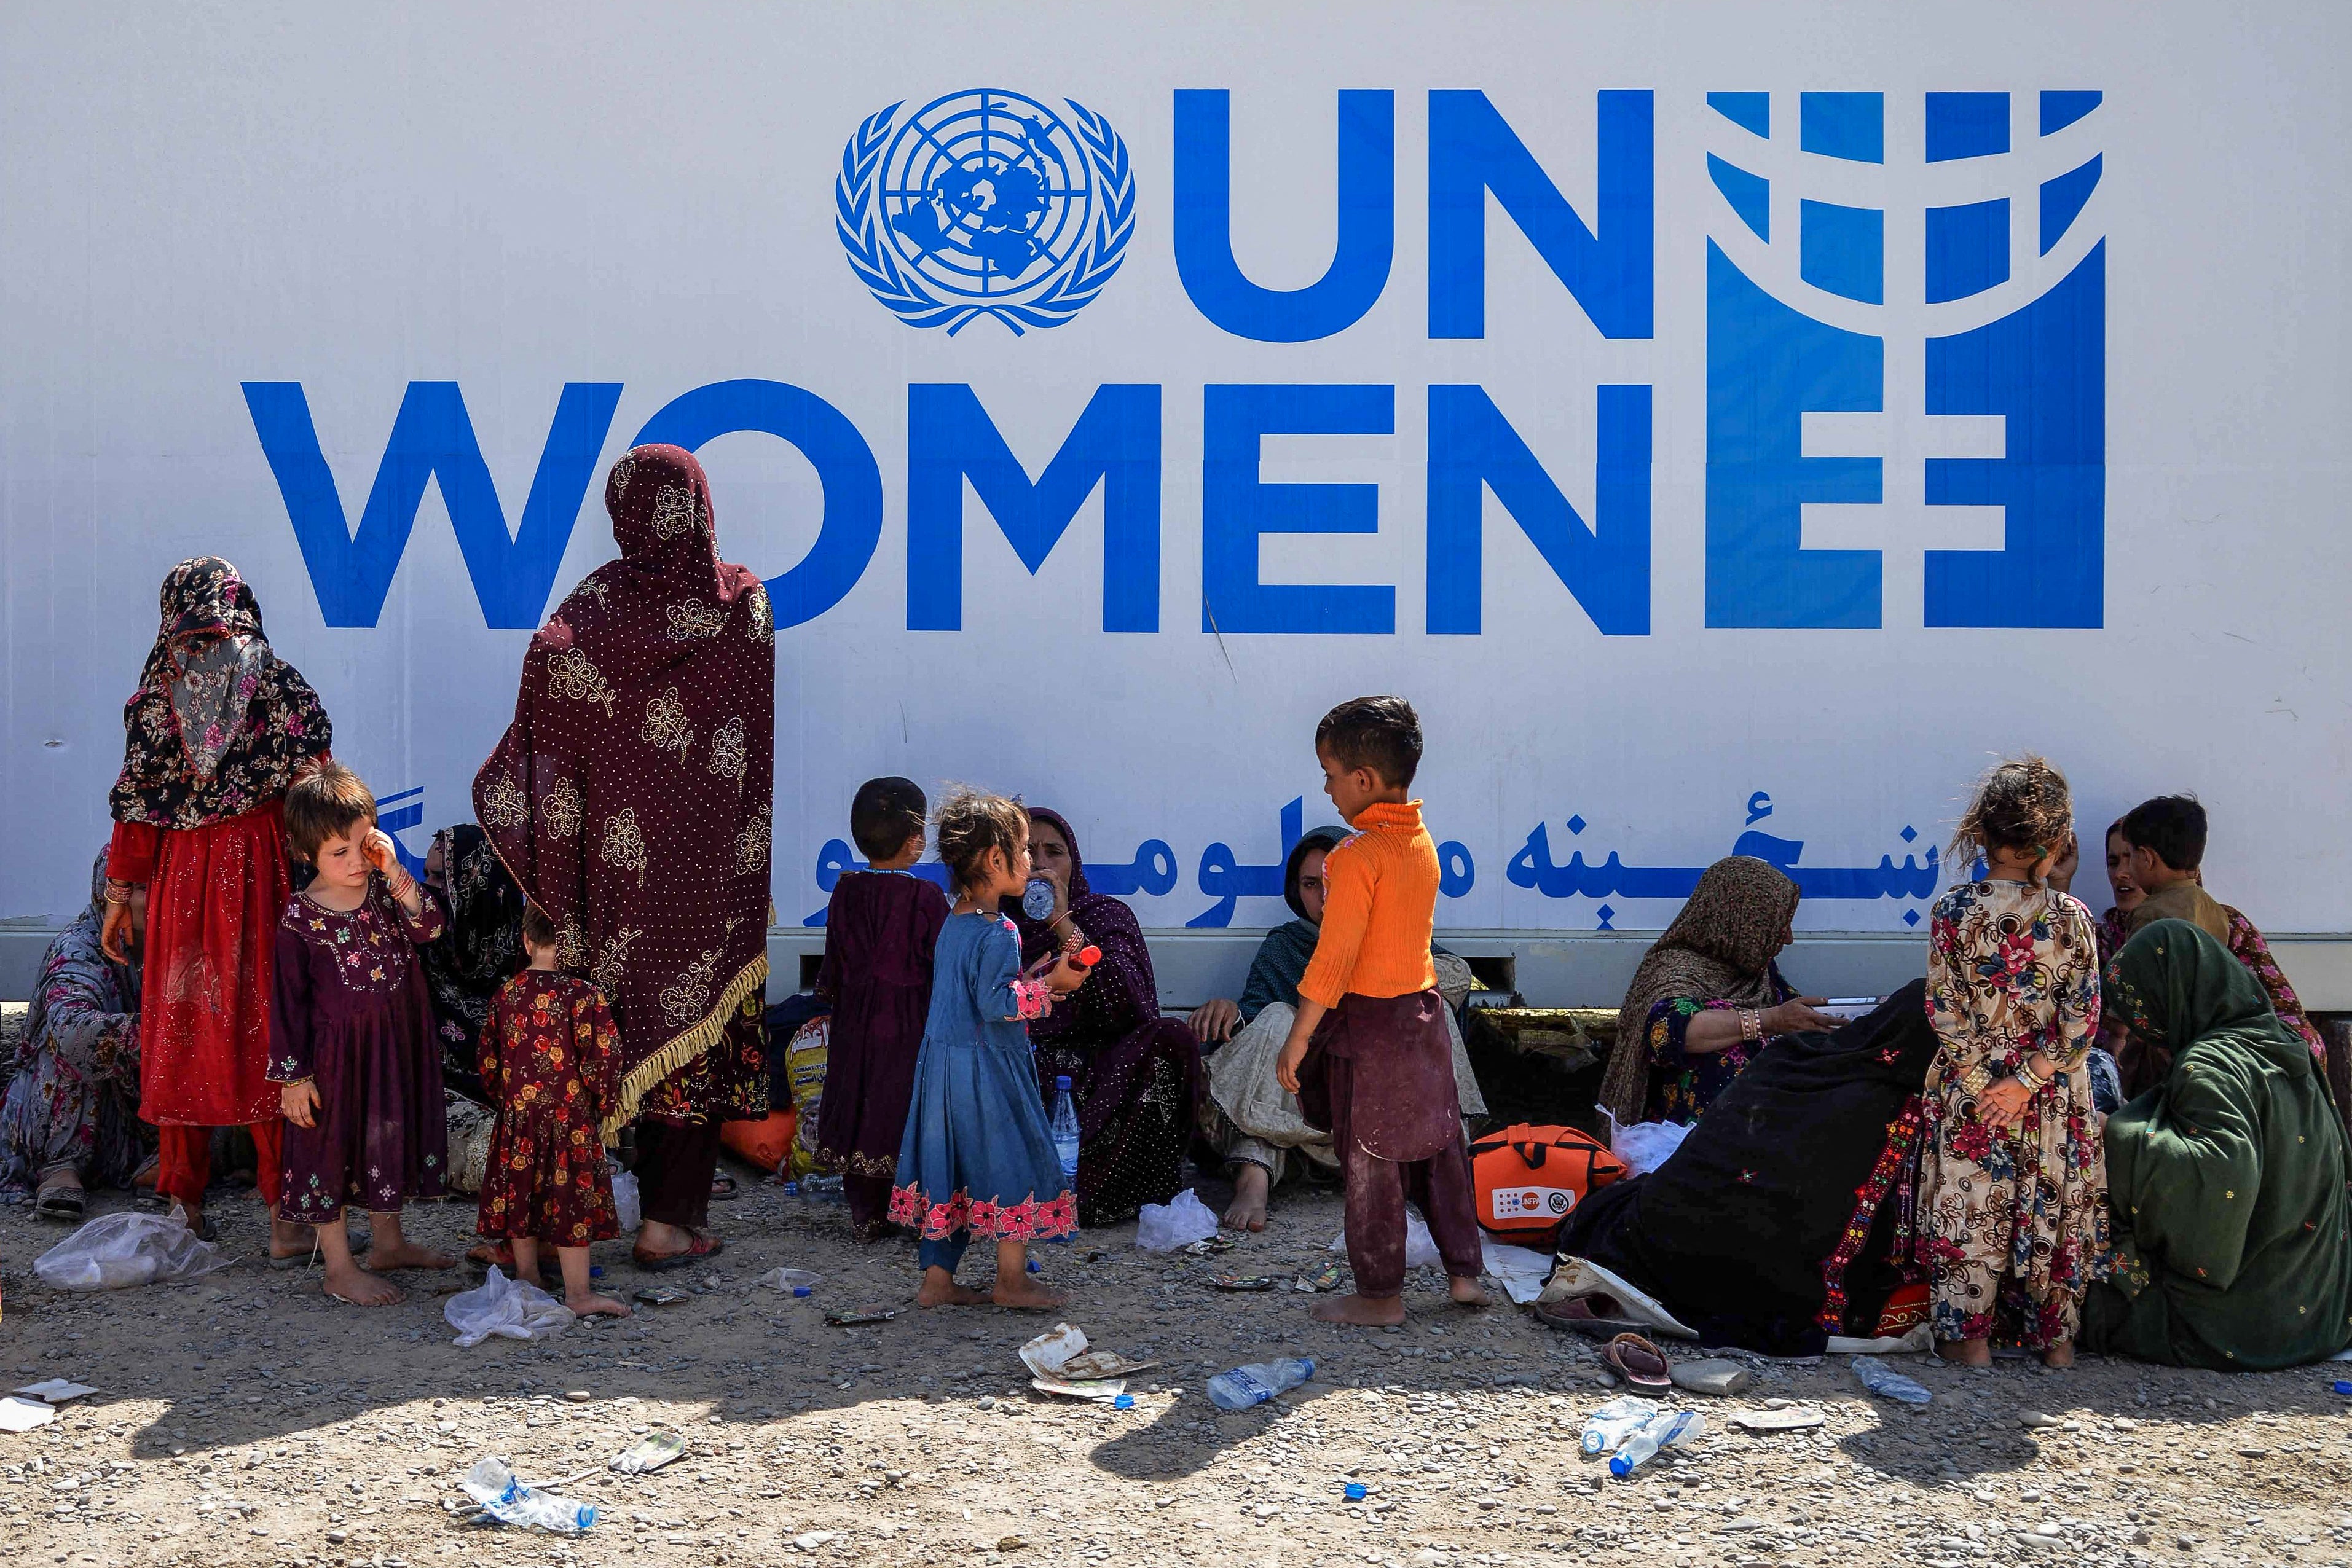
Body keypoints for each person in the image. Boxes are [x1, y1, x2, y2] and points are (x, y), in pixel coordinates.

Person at [474, 444, 775, 1272]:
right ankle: (666, 1225)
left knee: (595, 1037)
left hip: (610, 875)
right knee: (690, 1036)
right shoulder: (741, 603)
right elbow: (746, 741)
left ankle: (553, 1221)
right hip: (705, 874)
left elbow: (546, 687)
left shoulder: (589, 611)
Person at [101, 555, 330, 1254]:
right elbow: (313, 779)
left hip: (183, 875)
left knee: (181, 1020)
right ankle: (281, 1207)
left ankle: (184, 1198)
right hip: (260, 868)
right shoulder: (277, 679)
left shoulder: (159, 683)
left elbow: (138, 805)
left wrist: (122, 894)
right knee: (266, 1021)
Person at [1539, 984, 1940, 1357]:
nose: (1786, 936)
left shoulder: (1795, 1053)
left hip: (1662, 1239)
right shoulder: (1900, 1108)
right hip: (1765, 1278)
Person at [1273, 696, 1487, 1325]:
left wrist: (1297, 1037)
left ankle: (1379, 1294)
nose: (1327, 787)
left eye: (1330, 773)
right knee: (1439, 1150)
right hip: (1421, 1019)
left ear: (1362, 780)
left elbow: (1333, 961)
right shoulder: (1421, 842)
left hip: (1369, 1027)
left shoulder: (1355, 857)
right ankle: (1463, 1274)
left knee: (1371, 1160)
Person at [1189, 825, 1488, 1231]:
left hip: (1382, 1109)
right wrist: (1232, 1011)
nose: (1325, 897)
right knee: (1278, 1017)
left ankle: (1448, 1172)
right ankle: (1252, 1181)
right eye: (1312, 885)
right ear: (1297, 891)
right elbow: (1256, 1019)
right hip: (1303, 1111)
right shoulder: (1286, 944)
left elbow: (1456, 976)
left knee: (1430, 1010)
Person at [2085, 919, 2352, 1370]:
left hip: (2239, 1323)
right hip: (2319, 1308)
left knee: (2069, 1287)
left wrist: (2108, 1132)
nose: (2147, 1033)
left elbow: (2218, 1174)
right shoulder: (2285, 1043)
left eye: (2145, 1014)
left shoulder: (2210, 1063)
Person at [1919, 757, 2107, 1368]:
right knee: (2053, 1214)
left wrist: (1987, 1086)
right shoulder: (2070, 918)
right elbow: (2080, 1026)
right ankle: (2056, 1353)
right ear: (2054, 840)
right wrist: (2024, 1082)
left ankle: (1969, 1353)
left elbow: (1943, 1013)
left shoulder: (1951, 911)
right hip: (2051, 1098)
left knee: (1969, 1218)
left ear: (1979, 833)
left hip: (1974, 1100)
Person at [890, 788, 1085, 1309]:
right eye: (1023, 851)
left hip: (943, 1071)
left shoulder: (955, 921)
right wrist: (1054, 988)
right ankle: (1011, 1281)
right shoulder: (1000, 931)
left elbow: (976, 991)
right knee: (1009, 1160)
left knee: (947, 1168)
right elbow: (997, 1002)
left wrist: (1036, 975)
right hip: (988, 1072)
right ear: (996, 860)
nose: (1031, 862)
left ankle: (937, 1283)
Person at [270, 762, 455, 1305]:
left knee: (387, 1137)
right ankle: (338, 1267)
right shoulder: (299, 919)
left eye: (363, 844)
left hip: (394, 1048)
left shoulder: (384, 892)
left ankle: (388, 1244)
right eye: (338, 853)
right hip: (334, 1063)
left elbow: (431, 928)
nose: (355, 862)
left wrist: (396, 872)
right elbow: (286, 1006)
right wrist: (293, 1078)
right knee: (333, 1150)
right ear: (307, 855)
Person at [1014, 807, 1203, 1228]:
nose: (1041, 863)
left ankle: (1110, 1193)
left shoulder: (1106, 916)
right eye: (1028, 851)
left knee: (1170, 1039)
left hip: (1107, 1073)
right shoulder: (995, 925)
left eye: (1054, 852)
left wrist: (1064, 926)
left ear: (1073, 862)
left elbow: (1134, 1006)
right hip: (1028, 1070)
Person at [1596, 857, 1839, 1129]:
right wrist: (1770, 1021)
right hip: (1686, 1142)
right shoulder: (1673, 968)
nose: (1788, 938)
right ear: (1741, 922)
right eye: (1776, 925)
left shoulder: (1757, 971)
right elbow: (1671, 1033)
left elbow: (1791, 1014)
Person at [476, 902, 631, 1319]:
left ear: (526, 942)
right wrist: (603, 1106)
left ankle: (528, 1277)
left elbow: (488, 1060)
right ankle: (578, 1294)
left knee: (521, 1193)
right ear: (572, 947)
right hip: (570, 1121)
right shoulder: (584, 995)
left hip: (519, 1117)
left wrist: (507, 1104)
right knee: (571, 1201)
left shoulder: (506, 994)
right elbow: (604, 1060)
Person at [814, 777, 949, 1241]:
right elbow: (942, 964)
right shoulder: (925, 898)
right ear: (916, 840)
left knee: (857, 1100)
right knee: (899, 1107)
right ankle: (907, 1208)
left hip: (854, 1022)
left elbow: (833, 963)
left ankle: (866, 1213)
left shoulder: (845, 891)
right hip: (907, 1024)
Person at [0, 848, 154, 1219]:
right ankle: (59, 1167)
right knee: (73, 1043)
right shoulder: (77, 949)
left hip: (137, 1110)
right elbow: (70, 1030)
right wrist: (165, 1034)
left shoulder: (180, 945)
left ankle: (167, 1163)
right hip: (74, 1108)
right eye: (138, 888)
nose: (151, 898)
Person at [2115, 794, 2326, 1063]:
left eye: (2130, 856)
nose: (2126, 870)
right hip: (2216, 1037)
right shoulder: (2216, 911)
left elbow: (2136, 985)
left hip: (2174, 1043)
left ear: (2146, 858)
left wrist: (2116, 1033)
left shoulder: (2149, 913)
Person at [419, 823, 527, 1103]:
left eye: (441, 879)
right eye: (425, 875)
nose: (427, 889)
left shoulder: (531, 965)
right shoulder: (420, 952)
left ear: (481, 887)